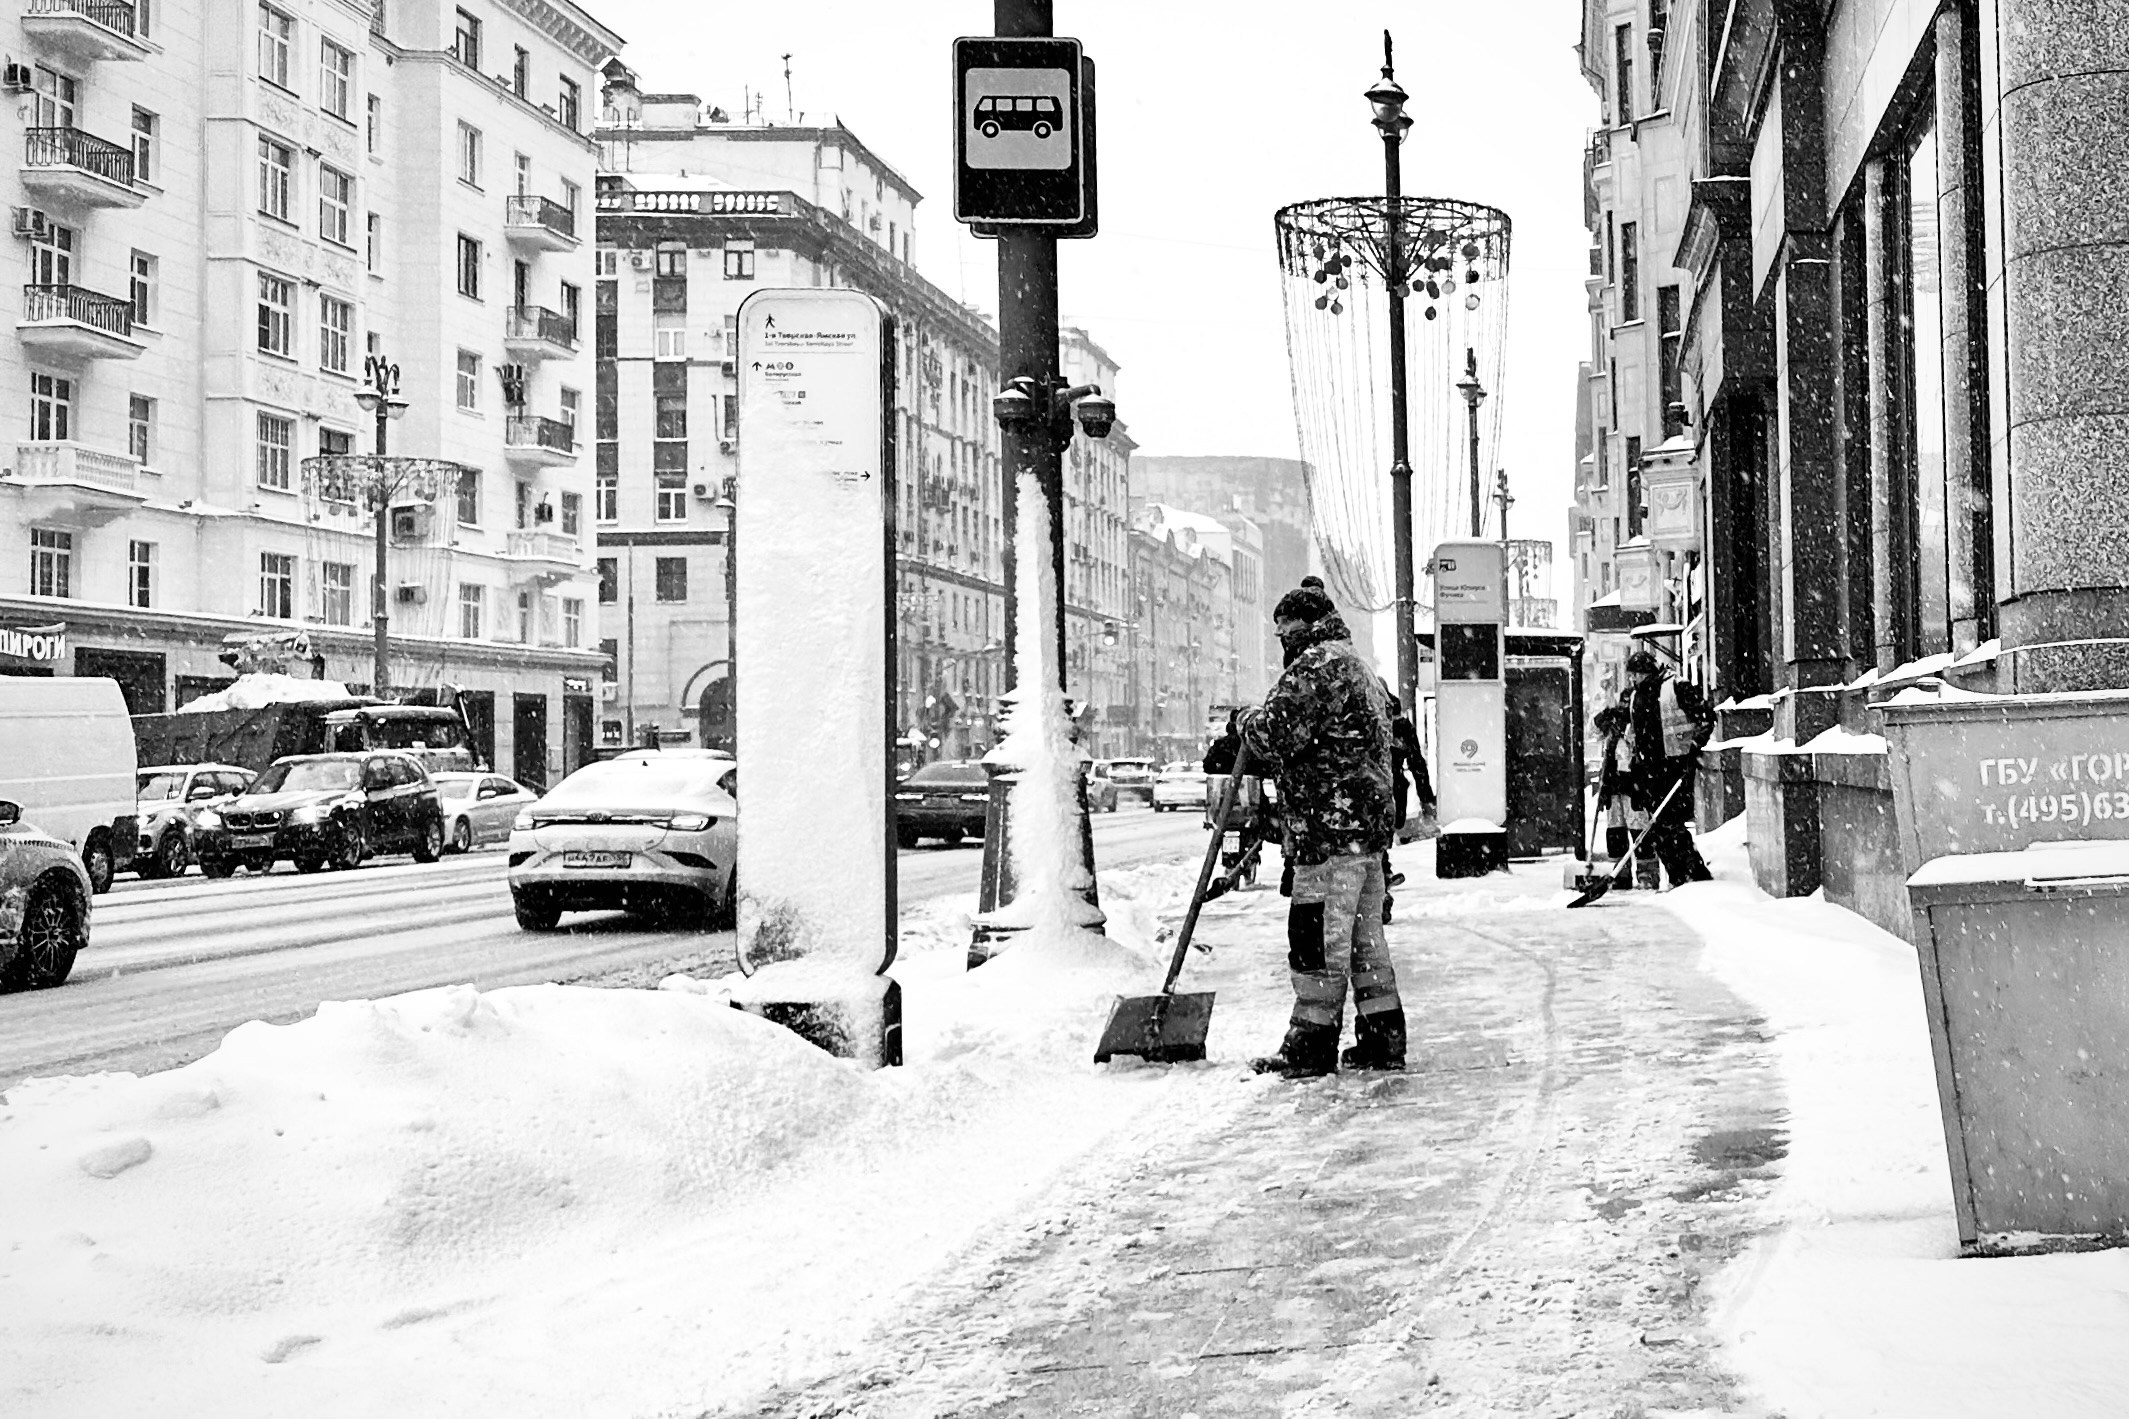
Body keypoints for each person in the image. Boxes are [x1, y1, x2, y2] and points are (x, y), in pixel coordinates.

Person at [1236, 583, 1405, 1078]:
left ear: (1303, 628)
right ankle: (1382, 1036)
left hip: (1331, 830)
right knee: (1363, 941)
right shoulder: (1357, 667)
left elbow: (1275, 732)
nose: (1281, 643)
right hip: (1364, 832)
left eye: (1284, 633)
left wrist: (1244, 720)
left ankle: (1309, 1045)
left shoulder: (1319, 667)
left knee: (1317, 939)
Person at [1622, 648, 1715, 887]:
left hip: (1675, 765)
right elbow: (1636, 733)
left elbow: (1706, 717)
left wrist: (1695, 745)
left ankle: (1693, 874)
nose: (1632, 679)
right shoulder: (1636, 696)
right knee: (1656, 828)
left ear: (1645, 672)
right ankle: (1677, 876)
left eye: (1635, 674)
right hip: (1648, 770)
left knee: (1670, 824)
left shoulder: (1675, 686)